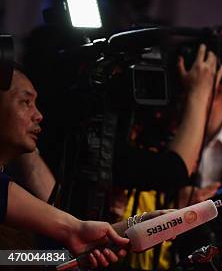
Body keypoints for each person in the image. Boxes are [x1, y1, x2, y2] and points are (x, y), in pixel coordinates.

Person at [0, 68, 129, 267]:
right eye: (26, 102)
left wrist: (139, 225)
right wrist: (74, 230)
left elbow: (13, 259)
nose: (39, 115)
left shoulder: (17, 198)